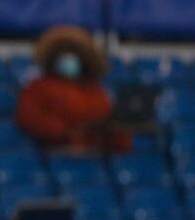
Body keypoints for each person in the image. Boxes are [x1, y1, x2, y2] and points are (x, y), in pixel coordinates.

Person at [16, 25, 132, 155]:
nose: (70, 58)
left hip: (95, 153)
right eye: (63, 53)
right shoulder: (38, 87)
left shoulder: (95, 90)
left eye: (75, 53)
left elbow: (107, 120)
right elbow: (30, 118)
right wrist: (65, 132)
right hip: (58, 153)